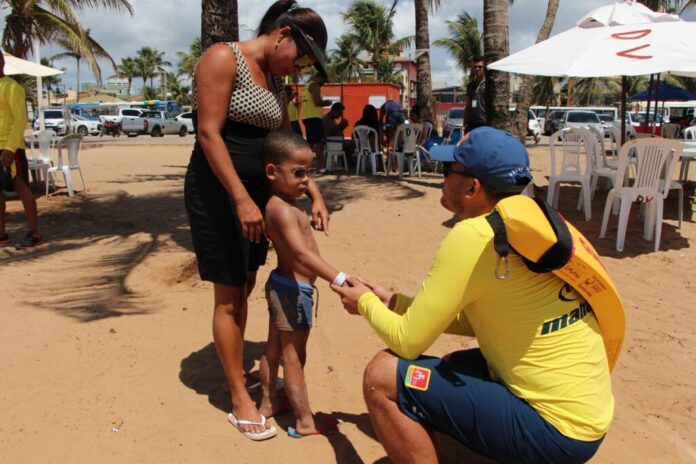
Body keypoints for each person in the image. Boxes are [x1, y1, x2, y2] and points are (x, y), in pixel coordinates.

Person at [332, 127, 614, 463]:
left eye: (447, 170)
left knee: (381, 375)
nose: (442, 177)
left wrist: (363, 303)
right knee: (452, 367)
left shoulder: (474, 235)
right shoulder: (535, 222)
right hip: (588, 418)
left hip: (555, 434)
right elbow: (477, 320)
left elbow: (408, 342)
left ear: (472, 187)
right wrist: (393, 301)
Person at [183, 0, 330, 441]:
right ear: (283, 35)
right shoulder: (223, 58)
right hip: (219, 192)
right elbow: (209, 132)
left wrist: (315, 192)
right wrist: (242, 198)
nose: (298, 69)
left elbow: (284, 144)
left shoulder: (274, 80)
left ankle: (236, 376)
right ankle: (238, 396)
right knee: (229, 294)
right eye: (300, 57)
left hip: (255, 199)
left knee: (246, 284)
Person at [257, 131, 344, 438]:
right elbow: (300, 253)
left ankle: (269, 403)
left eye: (310, 172)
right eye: (298, 173)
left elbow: (301, 246)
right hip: (293, 291)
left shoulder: (286, 200)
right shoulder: (279, 208)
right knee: (294, 357)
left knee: (274, 349)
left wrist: (316, 198)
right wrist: (339, 278)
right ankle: (304, 421)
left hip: (284, 286)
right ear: (272, 172)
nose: (306, 181)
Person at [0, 50, 42, 249]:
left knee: (21, 187)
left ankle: (34, 232)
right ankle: (1, 235)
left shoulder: (12, 87)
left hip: (9, 147)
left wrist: (9, 148)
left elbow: (20, 120)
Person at [301, 73, 331, 171]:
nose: (323, 84)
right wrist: (327, 103)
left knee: (310, 143)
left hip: (307, 117)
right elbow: (317, 102)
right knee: (319, 143)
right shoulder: (315, 85)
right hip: (314, 118)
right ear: (318, 78)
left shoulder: (306, 86)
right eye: (323, 81)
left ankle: (303, 166)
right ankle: (321, 167)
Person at [464, 56, 487, 133]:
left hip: (484, 123)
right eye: (475, 67)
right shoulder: (471, 85)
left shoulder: (489, 85)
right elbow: (467, 106)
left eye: (480, 67)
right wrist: (464, 123)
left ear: (484, 68)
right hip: (471, 123)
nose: (477, 69)